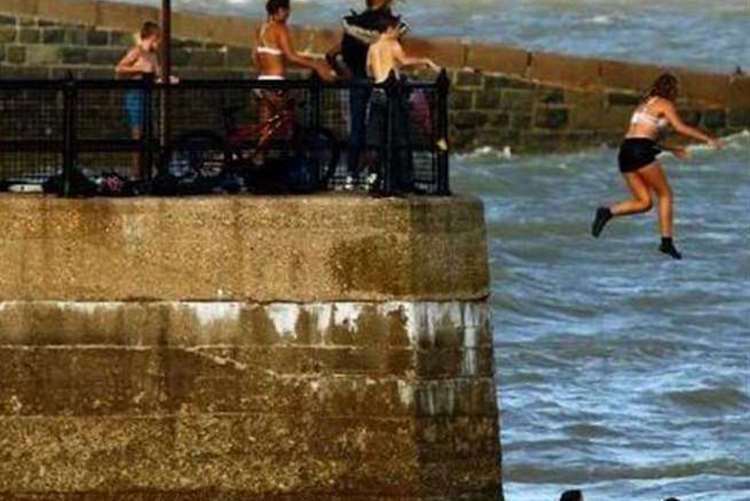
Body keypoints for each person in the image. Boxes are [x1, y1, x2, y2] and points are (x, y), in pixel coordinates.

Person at [591, 73, 724, 260]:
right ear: (671, 89)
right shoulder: (664, 103)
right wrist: (708, 138)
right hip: (640, 150)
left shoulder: (643, 106)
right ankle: (666, 242)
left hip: (625, 151)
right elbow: (680, 127)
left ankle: (607, 212)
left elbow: (642, 137)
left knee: (644, 202)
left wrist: (672, 149)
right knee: (665, 195)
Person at [326, 0, 406, 182]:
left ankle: (351, 173)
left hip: (357, 80)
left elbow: (331, 55)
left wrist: (345, 74)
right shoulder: (387, 27)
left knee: (356, 128)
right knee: (380, 130)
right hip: (380, 82)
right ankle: (377, 173)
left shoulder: (353, 25)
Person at [364, 17, 440, 193]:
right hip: (392, 94)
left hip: (377, 92)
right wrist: (426, 61)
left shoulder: (373, 47)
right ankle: (404, 181)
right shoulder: (392, 44)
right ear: (389, 29)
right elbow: (404, 61)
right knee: (400, 138)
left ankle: (375, 180)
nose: (399, 31)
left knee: (378, 139)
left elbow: (368, 68)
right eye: (397, 28)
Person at [116, 21, 174, 179]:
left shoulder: (153, 55)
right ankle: (137, 174)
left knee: (150, 134)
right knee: (138, 135)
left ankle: (147, 172)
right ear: (153, 37)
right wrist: (140, 69)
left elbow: (157, 75)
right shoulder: (137, 51)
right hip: (135, 95)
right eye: (159, 39)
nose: (160, 43)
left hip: (148, 97)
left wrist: (167, 79)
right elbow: (119, 69)